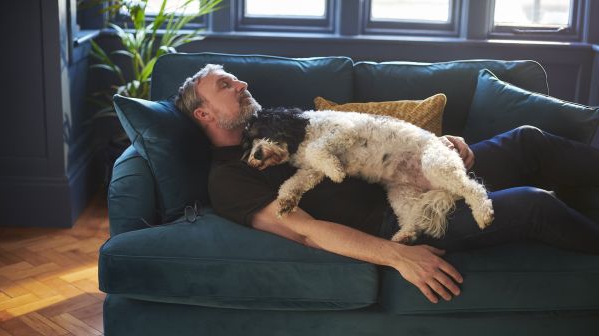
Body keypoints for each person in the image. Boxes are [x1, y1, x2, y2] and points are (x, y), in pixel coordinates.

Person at [174, 64, 599, 304]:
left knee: (528, 141)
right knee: (532, 205)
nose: (242, 84)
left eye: (236, 78)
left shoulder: (278, 123)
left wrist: (443, 144)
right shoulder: (228, 177)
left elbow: (366, 135)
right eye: (225, 86)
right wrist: (398, 255)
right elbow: (304, 230)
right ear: (204, 115)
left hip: (407, 164)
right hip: (397, 210)